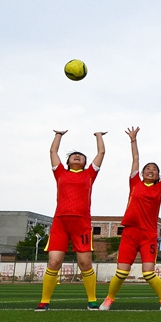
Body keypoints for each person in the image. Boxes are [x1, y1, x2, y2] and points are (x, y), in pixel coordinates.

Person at [100, 128, 161, 311]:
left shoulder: (160, 188)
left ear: (158, 176)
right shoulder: (134, 183)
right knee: (121, 272)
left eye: (154, 170)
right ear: (142, 172)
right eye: (148, 169)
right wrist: (133, 140)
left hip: (148, 235)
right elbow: (135, 159)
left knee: (148, 272)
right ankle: (108, 299)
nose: (150, 171)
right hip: (130, 233)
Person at [36, 130, 106, 311]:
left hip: (82, 224)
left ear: (85, 162)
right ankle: (44, 301)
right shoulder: (59, 173)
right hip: (60, 223)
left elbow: (101, 153)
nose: (77, 157)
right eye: (73, 156)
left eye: (81, 156)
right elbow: (53, 152)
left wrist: (99, 136)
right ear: (67, 162)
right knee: (54, 262)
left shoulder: (90, 174)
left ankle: (92, 301)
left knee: (85, 264)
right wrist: (58, 135)